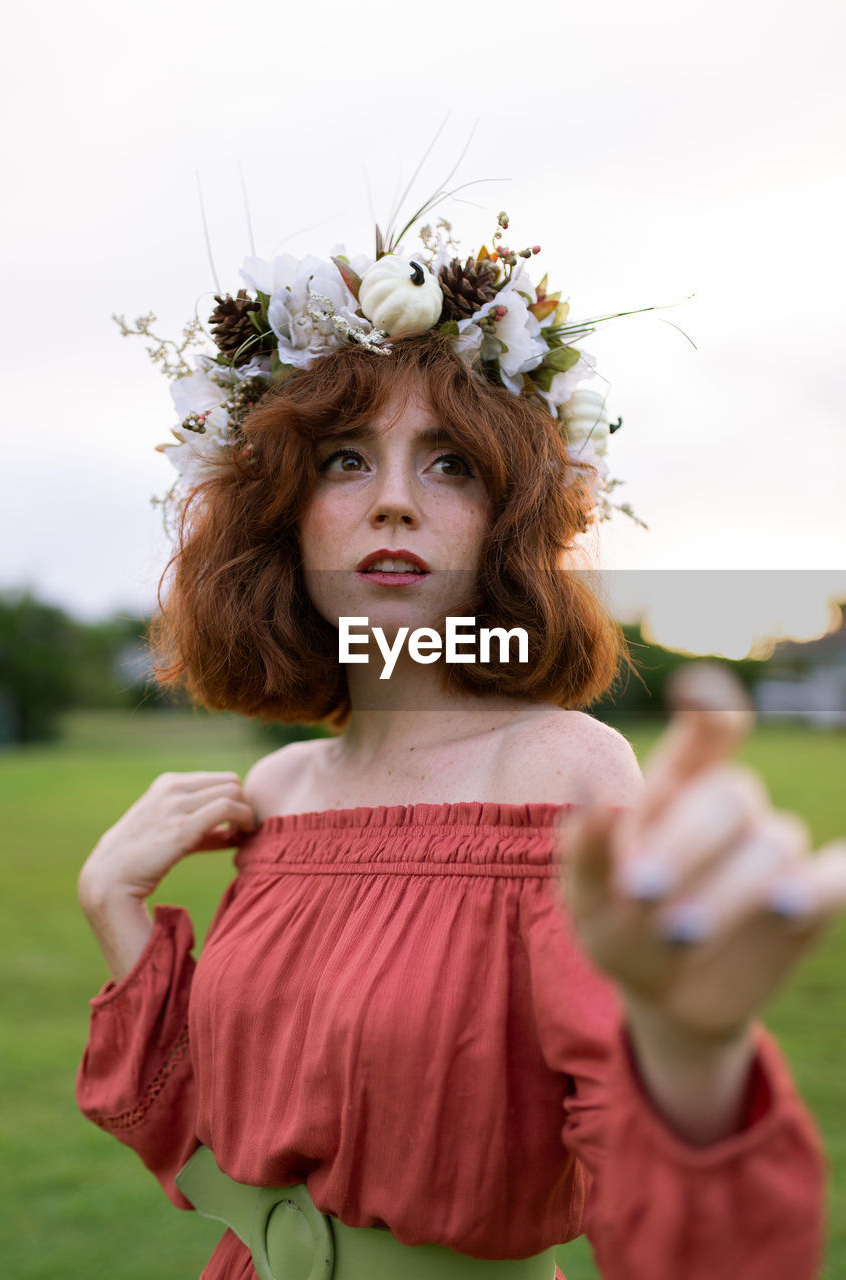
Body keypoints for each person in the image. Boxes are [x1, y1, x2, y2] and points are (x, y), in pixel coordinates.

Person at [76, 222, 846, 1280]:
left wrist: (692, 1063)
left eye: (449, 463)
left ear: (509, 519)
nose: (394, 497)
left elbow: (664, 1221)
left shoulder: (568, 770)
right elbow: (223, 1145)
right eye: (347, 459)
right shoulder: (278, 788)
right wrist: (118, 910)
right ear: (284, 515)